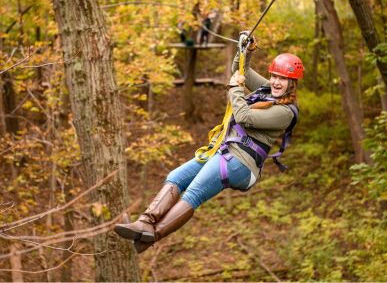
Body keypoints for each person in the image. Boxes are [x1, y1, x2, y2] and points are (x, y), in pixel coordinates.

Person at [114, 32, 304, 253]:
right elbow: (240, 71)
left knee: (193, 193)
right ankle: (145, 223)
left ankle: (151, 237)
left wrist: (234, 89)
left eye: (282, 79)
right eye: (274, 76)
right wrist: (246, 51)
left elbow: (245, 117)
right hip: (225, 151)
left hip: (241, 163)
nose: (276, 82)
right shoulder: (267, 90)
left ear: (292, 83)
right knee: (176, 177)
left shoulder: (285, 112)